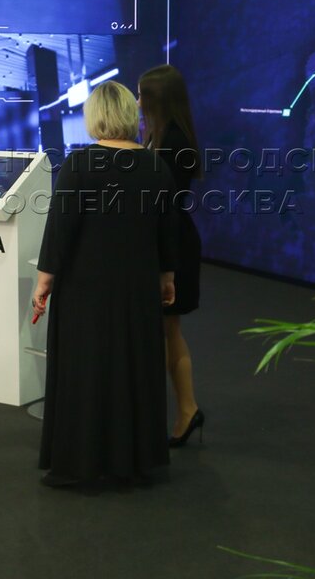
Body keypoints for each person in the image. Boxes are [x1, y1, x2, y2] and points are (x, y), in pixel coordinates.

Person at [32, 80, 177, 487]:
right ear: (131, 115)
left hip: (85, 289)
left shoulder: (80, 165)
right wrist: (167, 277)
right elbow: (168, 232)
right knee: (134, 368)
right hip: (137, 288)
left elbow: (60, 230)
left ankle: (83, 462)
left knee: (86, 369)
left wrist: (44, 281)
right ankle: (133, 460)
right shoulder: (156, 167)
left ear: (95, 116)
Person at [138, 64, 206, 447]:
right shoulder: (161, 136)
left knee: (169, 330)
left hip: (172, 247)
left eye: (142, 95)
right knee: (167, 331)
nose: (137, 102)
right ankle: (185, 409)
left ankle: (186, 410)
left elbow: (163, 203)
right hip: (165, 243)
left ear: (158, 100)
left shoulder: (174, 142)